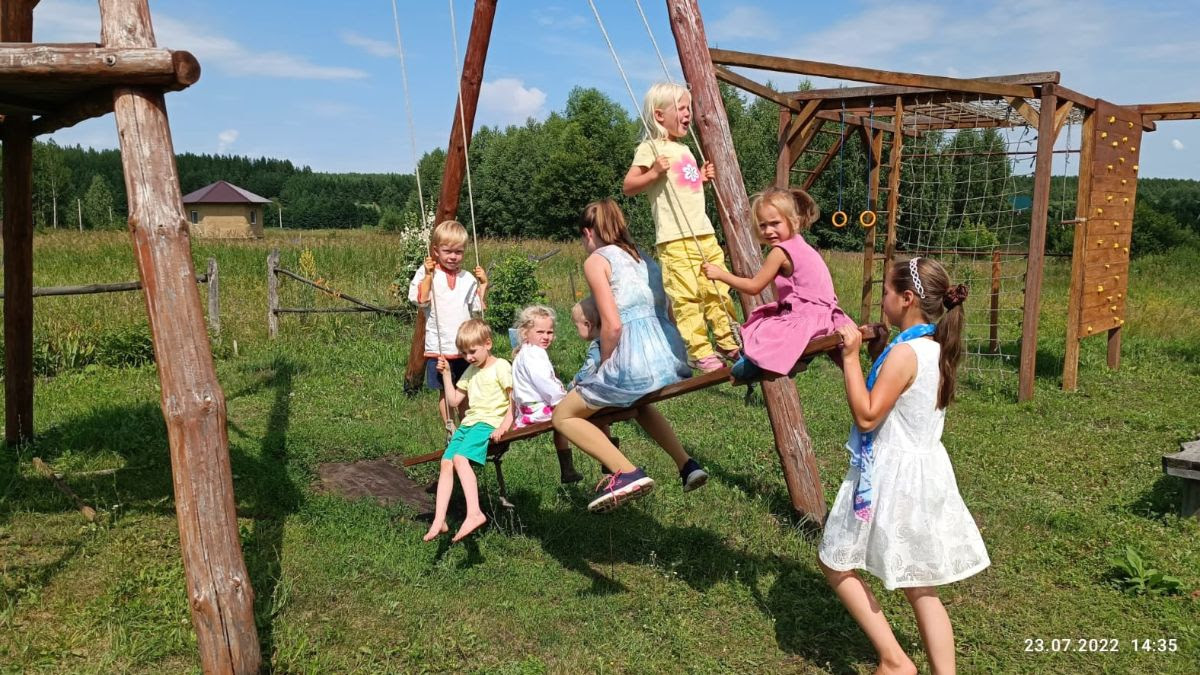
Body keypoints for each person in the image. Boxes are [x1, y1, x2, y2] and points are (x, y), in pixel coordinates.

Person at [818, 257, 989, 675]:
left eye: (888, 294)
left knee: (835, 561)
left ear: (907, 298)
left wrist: (854, 358)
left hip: (888, 476)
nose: (883, 301)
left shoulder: (905, 354)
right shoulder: (934, 347)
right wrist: (876, 350)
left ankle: (895, 662)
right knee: (919, 584)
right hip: (924, 474)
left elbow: (868, 416)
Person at [552, 199, 708, 513]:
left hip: (634, 358)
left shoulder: (597, 260)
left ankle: (625, 472)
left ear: (587, 233)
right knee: (641, 404)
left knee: (563, 416)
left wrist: (607, 364)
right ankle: (687, 464)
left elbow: (612, 325)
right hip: (667, 354)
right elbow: (669, 310)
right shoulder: (644, 258)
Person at [622, 81, 739, 373]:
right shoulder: (650, 148)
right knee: (687, 296)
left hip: (704, 233)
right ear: (660, 115)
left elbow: (681, 186)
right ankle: (699, 351)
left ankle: (727, 341)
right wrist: (654, 173)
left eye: (689, 107)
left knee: (717, 289)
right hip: (675, 239)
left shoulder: (684, 148)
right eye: (682, 108)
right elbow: (629, 185)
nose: (688, 113)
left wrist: (700, 177)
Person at [701, 187, 854, 383]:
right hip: (827, 319)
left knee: (754, 345)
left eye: (775, 224)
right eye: (763, 225)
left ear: (794, 221)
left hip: (805, 321)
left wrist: (720, 274)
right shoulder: (804, 246)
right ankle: (794, 361)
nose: (768, 231)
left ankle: (774, 365)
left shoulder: (780, 252)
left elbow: (754, 286)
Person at [424, 319, 512, 543]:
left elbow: (514, 401)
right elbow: (454, 401)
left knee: (461, 458)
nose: (468, 357)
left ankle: (474, 512)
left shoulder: (501, 366)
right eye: (464, 353)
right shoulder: (470, 371)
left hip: (488, 422)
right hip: (468, 424)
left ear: (488, 344)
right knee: (447, 462)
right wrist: (445, 375)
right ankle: (439, 519)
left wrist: (504, 426)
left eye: (472, 351)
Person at [408, 220, 488, 438]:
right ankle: (450, 427)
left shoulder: (468, 278)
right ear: (436, 251)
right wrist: (427, 275)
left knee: (464, 390)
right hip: (440, 345)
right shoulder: (428, 274)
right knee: (445, 391)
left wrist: (483, 286)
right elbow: (422, 300)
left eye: (459, 252)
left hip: (464, 347)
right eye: (448, 251)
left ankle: (467, 426)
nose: (453, 257)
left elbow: (477, 309)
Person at [510, 304, 582, 484]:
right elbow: (546, 383)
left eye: (549, 332)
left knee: (564, 418)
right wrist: (562, 399)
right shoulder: (534, 354)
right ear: (526, 332)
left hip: (529, 411)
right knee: (584, 409)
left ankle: (567, 469)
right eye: (540, 332)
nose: (545, 337)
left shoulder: (525, 352)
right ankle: (606, 456)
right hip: (539, 411)